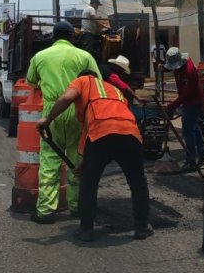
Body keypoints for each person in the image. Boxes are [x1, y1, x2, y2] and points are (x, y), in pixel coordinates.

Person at [36, 69, 152, 242]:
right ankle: (142, 227)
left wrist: (48, 119)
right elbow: (89, 131)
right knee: (137, 182)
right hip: (130, 133)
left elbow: (67, 98)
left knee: (89, 183)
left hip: (101, 132)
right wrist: (81, 163)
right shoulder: (114, 90)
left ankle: (86, 230)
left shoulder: (83, 81)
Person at [26, 21, 101, 224]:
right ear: (72, 36)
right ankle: (76, 207)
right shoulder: (84, 56)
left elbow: (30, 81)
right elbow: (97, 82)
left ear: (54, 37)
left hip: (52, 111)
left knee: (50, 161)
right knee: (77, 160)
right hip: (78, 111)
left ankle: (45, 211)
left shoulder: (40, 57)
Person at [162, 47, 204, 171]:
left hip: (194, 102)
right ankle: (203, 153)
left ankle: (191, 160)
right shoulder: (178, 65)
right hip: (188, 100)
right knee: (194, 128)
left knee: (187, 131)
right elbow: (170, 67)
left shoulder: (190, 71)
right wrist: (162, 68)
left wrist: (170, 106)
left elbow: (187, 94)